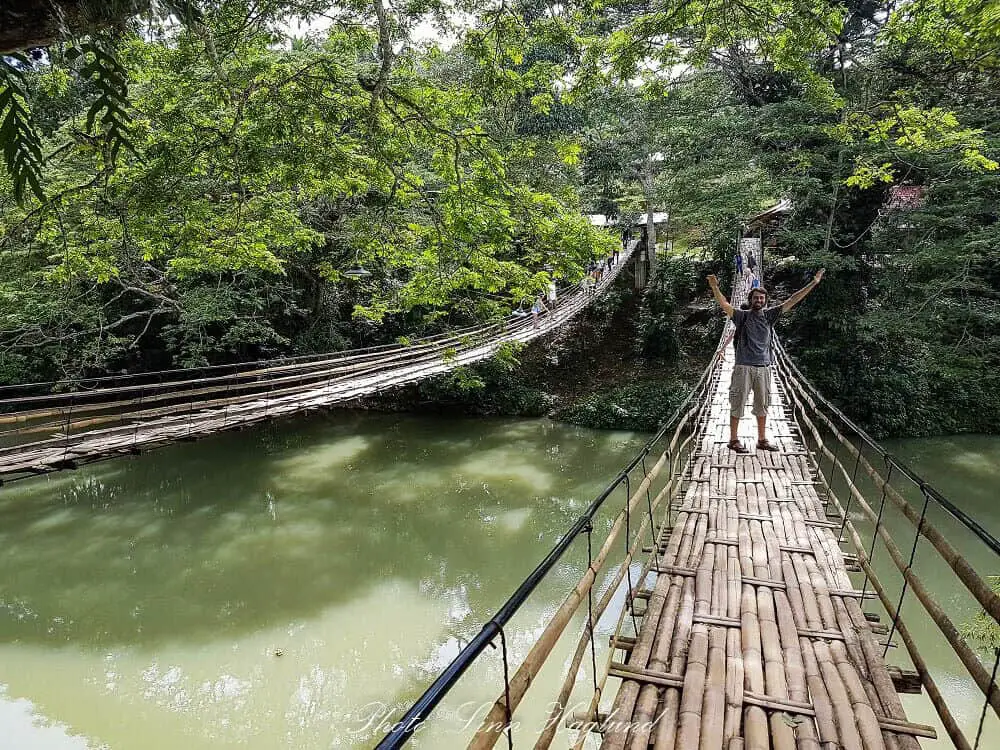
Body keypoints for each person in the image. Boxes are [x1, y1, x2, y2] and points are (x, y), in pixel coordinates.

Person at [707, 269, 825, 453]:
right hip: (743, 366)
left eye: (762, 299)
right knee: (737, 403)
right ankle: (733, 439)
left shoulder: (770, 316)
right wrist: (714, 287)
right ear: (751, 299)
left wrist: (814, 283)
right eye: (756, 298)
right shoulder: (741, 316)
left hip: (764, 367)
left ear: (765, 301)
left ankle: (762, 440)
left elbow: (793, 299)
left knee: (763, 404)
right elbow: (724, 304)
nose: (759, 301)